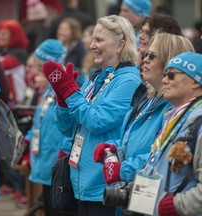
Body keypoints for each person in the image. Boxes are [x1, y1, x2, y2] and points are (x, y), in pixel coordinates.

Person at [42, 15, 141, 216]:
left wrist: (70, 92)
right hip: (82, 182)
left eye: (99, 40)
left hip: (104, 185)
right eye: (93, 39)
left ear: (120, 44)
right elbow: (68, 128)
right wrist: (63, 102)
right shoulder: (96, 78)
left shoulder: (129, 80)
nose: (92, 45)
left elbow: (97, 121)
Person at [93, 33, 195, 215]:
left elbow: (155, 155)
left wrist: (122, 169)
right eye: (146, 54)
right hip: (139, 197)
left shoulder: (173, 108)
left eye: (152, 56)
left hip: (158, 201)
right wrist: (114, 149)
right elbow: (132, 142)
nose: (144, 59)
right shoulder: (147, 99)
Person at [135, 52, 202, 216]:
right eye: (165, 75)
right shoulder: (174, 115)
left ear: (196, 81)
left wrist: (176, 206)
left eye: (171, 75)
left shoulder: (199, 121)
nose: (164, 80)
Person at [26, 39, 72, 216]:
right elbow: (39, 121)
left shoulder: (62, 90)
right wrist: (27, 140)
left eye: (40, 68)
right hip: (44, 162)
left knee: (56, 209)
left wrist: (65, 152)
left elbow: (71, 126)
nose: (37, 73)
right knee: (47, 207)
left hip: (55, 162)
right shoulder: (46, 91)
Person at [0, 19, 29, 108]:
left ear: (14, 36)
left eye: (4, 34)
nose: (0, 36)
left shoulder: (19, 53)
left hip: (15, 103)